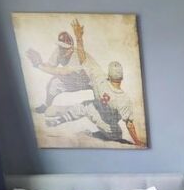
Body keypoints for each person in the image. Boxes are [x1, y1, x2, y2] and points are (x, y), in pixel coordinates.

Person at [45, 19, 144, 147]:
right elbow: (129, 124)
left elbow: (83, 59)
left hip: (94, 112)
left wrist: (79, 38)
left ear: (109, 75)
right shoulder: (124, 100)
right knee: (116, 134)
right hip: (109, 127)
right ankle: (98, 135)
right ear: (122, 78)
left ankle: (61, 120)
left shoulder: (100, 80)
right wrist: (137, 141)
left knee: (84, 107)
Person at [25, 31, 91, 114]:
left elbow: (62, 72)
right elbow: (50, 65)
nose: (64, 49)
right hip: (73, 79)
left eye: (67, 47)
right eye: (62, 46)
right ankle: (46, 105)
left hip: (87, 79)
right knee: (53, 83)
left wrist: (39, 66)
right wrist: (40, 62)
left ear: (72, 46)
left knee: (100, 94)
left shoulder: (76, 55)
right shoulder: (58, 51)